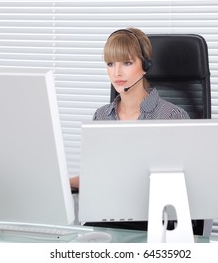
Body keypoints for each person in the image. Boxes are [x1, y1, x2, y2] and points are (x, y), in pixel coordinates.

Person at [69, 27, 189, 190]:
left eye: (127, 63)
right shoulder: (102, 117)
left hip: (154, 212)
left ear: (146, 65)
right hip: (109, 210)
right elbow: (95, 176)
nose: (117, 73)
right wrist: (60, 183)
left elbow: (183, 182)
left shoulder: (172, 116)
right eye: (111, 64)